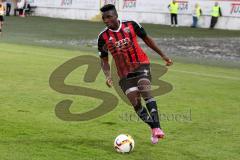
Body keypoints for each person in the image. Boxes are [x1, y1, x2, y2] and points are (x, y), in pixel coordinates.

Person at [97, 4, 173, 144]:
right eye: (104, 18)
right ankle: (154, 128)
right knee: (135, 102)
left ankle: (157, 128)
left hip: (141, 64)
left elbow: (147, 40)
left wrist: (163, 56)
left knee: (145, 88)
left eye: (109, 17)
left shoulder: (131, 25)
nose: (106, 20)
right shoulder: (103, 37)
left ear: (116, 16)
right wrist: (107, 76)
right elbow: (104, 60)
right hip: (123, 73)